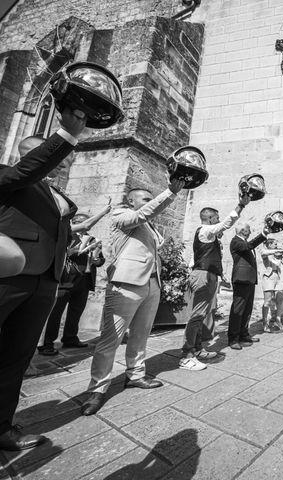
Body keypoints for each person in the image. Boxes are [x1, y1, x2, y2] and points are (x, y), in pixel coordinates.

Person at [0, 107, 86, 451]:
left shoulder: (58, 196)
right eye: (52, 159)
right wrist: (66, 134)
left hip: (44, 281)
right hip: (10, 274)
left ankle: (3, 427)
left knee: (17, 356)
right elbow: (26, 172)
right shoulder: (7, 174)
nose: (60, 168)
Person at [81, 179, 185, 416]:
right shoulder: (120, 215)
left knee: (141, 334)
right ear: (131, 201)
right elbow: (141, 216)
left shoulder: (150, 227)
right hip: (126, 284)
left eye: (150, 199)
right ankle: (97, 389)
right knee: (111, 338)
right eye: (145, 199)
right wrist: (171, 191)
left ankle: (136, 375)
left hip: (152, 283)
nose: (149, 203)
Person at [179, 194, 250, 371]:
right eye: (216, 218)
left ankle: (197, 349)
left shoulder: (210, 237)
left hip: (208, 275)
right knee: (196, 315)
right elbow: (226, 223)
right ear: (210, 219)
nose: (219, 221)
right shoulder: (204, 230)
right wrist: (240, 205)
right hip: (202, 275)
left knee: (201, 314)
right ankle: (187, 354)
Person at [38, 212, 108, 356]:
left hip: (84, 280)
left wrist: (98, 261)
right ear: (75, 222)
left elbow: (101, 259)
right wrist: (78, 250)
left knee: (76, 312)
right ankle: (47, 343)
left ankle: (70, 338)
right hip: (66, 280)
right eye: (83, 221)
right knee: (55, 313)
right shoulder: (67, 235)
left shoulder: (94, 239)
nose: (87, 224)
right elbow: (62, 253)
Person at [227, 222, 269, 350]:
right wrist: (263, 234)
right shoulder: (236, 241)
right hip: (241, 280)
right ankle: (233, 338)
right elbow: (249, 245)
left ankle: (244, 334)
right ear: (242, 231)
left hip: (249, 280)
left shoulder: (243, 242)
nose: (250, 231)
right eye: (248, 230)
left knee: (247, 310)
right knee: (238, 310)